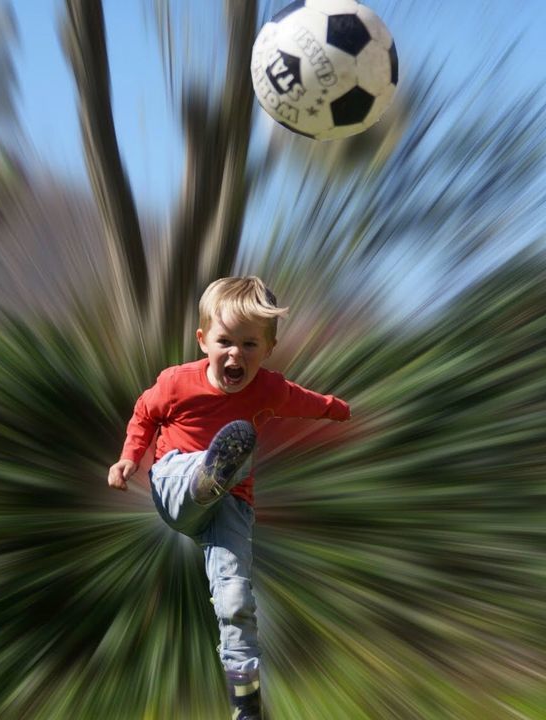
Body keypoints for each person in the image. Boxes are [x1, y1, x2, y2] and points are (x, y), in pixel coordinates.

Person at [108, 276, 350, 720]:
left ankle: (246, 706)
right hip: (174, 481)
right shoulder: (176, 382)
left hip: (231, 506)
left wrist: (342, 410)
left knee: (236, 602)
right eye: (225, 341)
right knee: (204, 463)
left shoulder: (270, 389)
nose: (235, 354)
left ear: (269, 348)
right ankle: (207, 473)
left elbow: (310, 402)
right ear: (203, 341)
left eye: (249, 344)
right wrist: (127, 459)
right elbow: (144, 414)